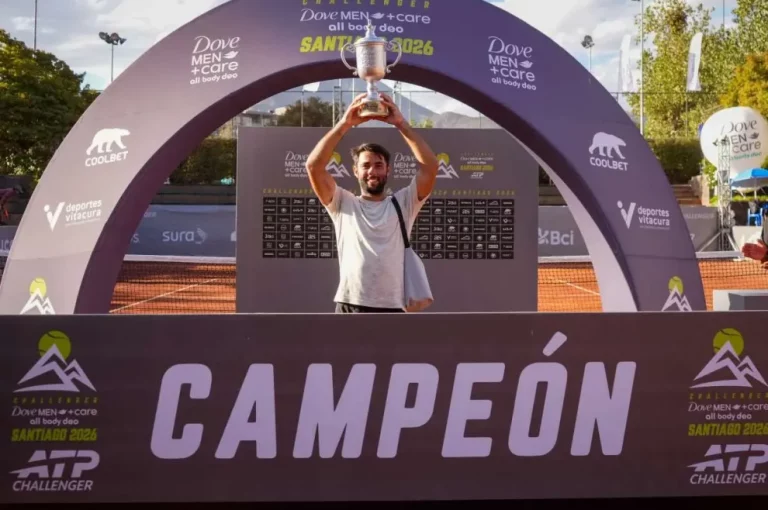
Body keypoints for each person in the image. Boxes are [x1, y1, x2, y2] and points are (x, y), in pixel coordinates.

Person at [305, 92, 439, 313]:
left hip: (393, 308)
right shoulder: (342, 203)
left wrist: (401, 124)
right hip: (350, 305)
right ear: (355, 170)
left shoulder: (403, 203)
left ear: (388, 169)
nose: (372, 171)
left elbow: (431, 167)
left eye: (378, 165)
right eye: (366, 166)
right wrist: (345, 123)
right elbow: (314, 166)